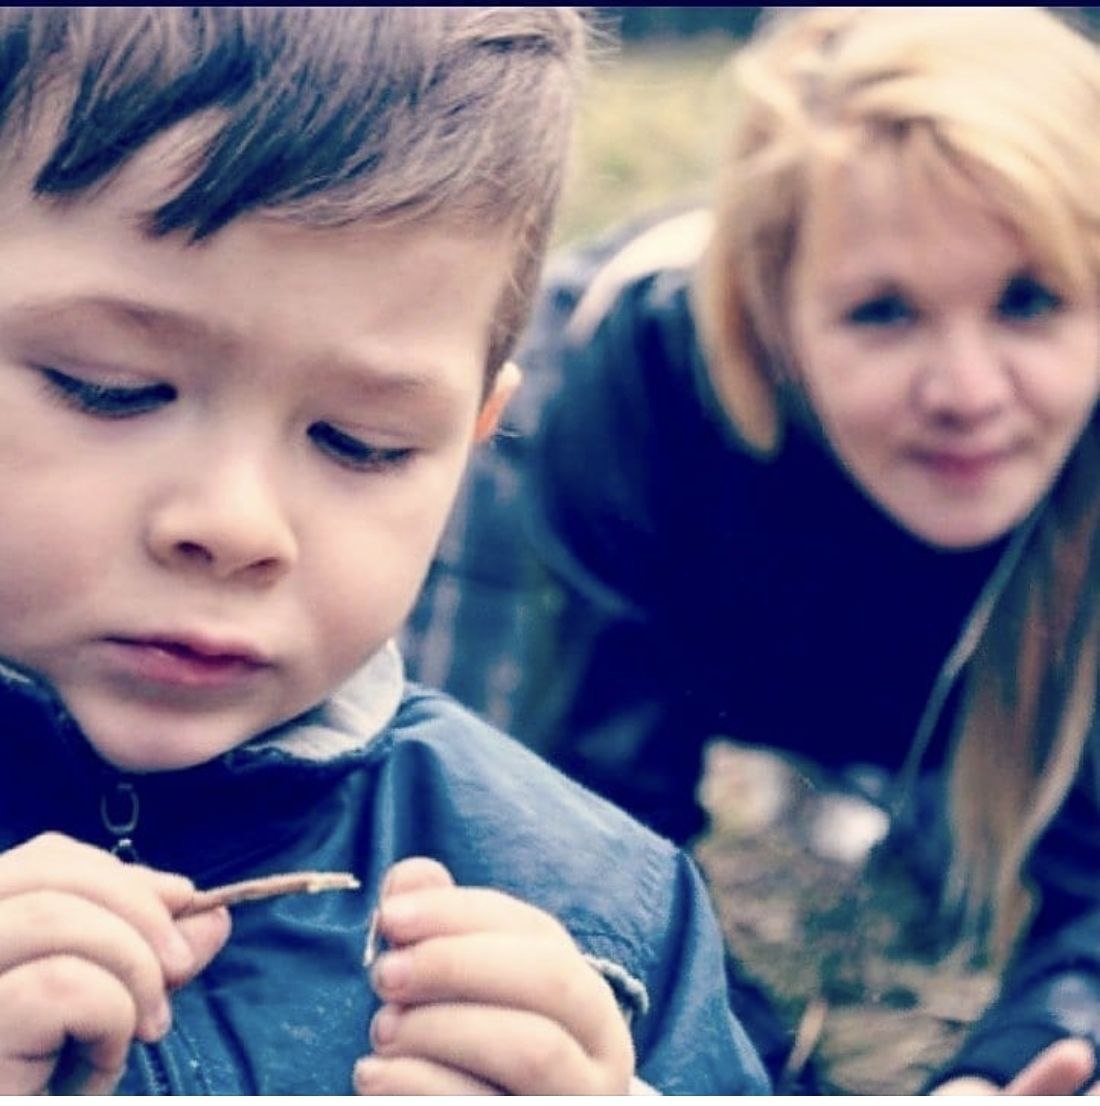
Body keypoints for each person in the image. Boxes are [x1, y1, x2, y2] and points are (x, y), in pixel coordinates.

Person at [0, 7, 772, 1096]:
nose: (234, 525)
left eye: (360, 444)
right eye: (109, 387)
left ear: (469, 439)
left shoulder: (591, 907)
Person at [404, 5, 1100, 1094]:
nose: (966, 392)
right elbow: (574, 844)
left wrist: (1002, 1070)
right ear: (771, 313)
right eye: (882, 313)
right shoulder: (621, 392)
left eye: (1028, 301)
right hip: (677, 562)